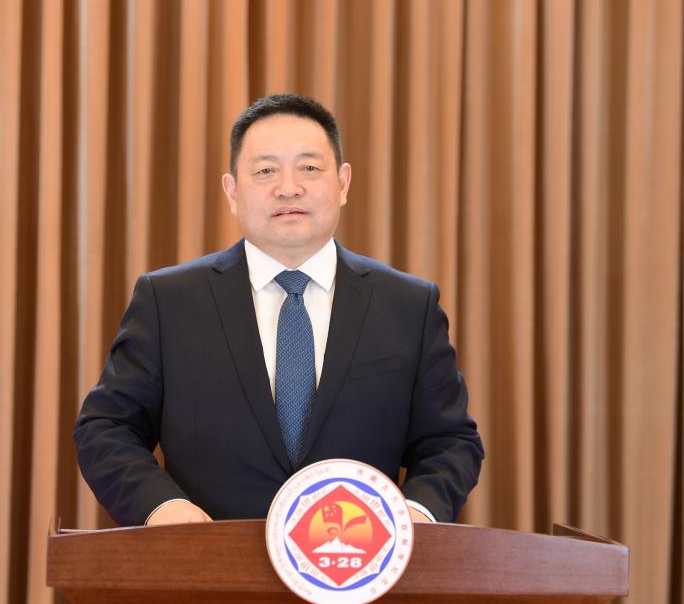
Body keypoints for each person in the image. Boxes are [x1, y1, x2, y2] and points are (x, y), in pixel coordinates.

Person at [74, 93, 483, 527]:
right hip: (207, 560)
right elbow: (106, 428)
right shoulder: (168, 301)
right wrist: (162, 507)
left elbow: (450, 441)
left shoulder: (408, 306)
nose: (289, 187)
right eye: (265, 171)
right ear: (232, 191)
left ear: (343, 183)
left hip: (355, 557)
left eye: (309, 168)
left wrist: (413, 515)